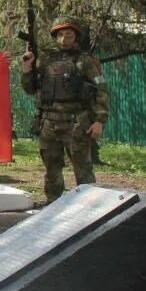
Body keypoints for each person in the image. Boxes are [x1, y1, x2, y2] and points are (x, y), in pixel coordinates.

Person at [21, 16, 109, 204]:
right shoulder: (46, 61)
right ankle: (53, 204)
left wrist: (99, 121)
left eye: (68, 34)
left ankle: (89, 206)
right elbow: (30, 89)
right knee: (51, 168)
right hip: (49, 123)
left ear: (75, 36)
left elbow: (101, 89)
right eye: (60, 35)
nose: (64, 39)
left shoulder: (85, 61)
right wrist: (27, 69)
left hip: (76, 123)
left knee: (83, 168)